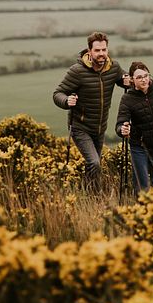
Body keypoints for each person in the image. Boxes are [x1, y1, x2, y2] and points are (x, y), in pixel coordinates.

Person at [53, 31, 130, 190]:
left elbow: (123, 80)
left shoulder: (113, 67)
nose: (101, 53)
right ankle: (95, 194)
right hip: (80, 127)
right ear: (89, 51)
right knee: (94, 162)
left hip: (100, 128)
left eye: (104, 50)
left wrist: (127, 81)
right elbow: (57, 94)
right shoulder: (77, 71)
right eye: (97, 50)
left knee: (94, 165)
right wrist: (67, 101)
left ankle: (86, 195)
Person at [115, 61, 153, 193]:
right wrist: (123, 130)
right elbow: (121, 122)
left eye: (146, 76)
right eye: (139, 77)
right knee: (142, 186)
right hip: (138, 146)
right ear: (132, 80)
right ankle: (142, 211)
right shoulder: (127, 98)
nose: (143, 80)